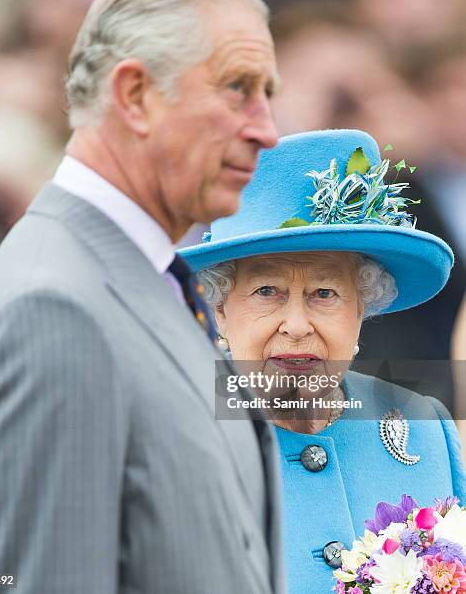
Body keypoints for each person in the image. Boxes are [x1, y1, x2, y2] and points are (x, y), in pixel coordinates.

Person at [0, 0, 285, 593]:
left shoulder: (144, 278)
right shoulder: (51, 309)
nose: (266, 130)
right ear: (135, 95)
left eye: (268, 94)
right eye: (238, 88)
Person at [179, 129, 466, 593]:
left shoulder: (423, 426)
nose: (296, 324)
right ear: (219, 311)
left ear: (362, 310)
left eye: (325, 293)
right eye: (267, 291)